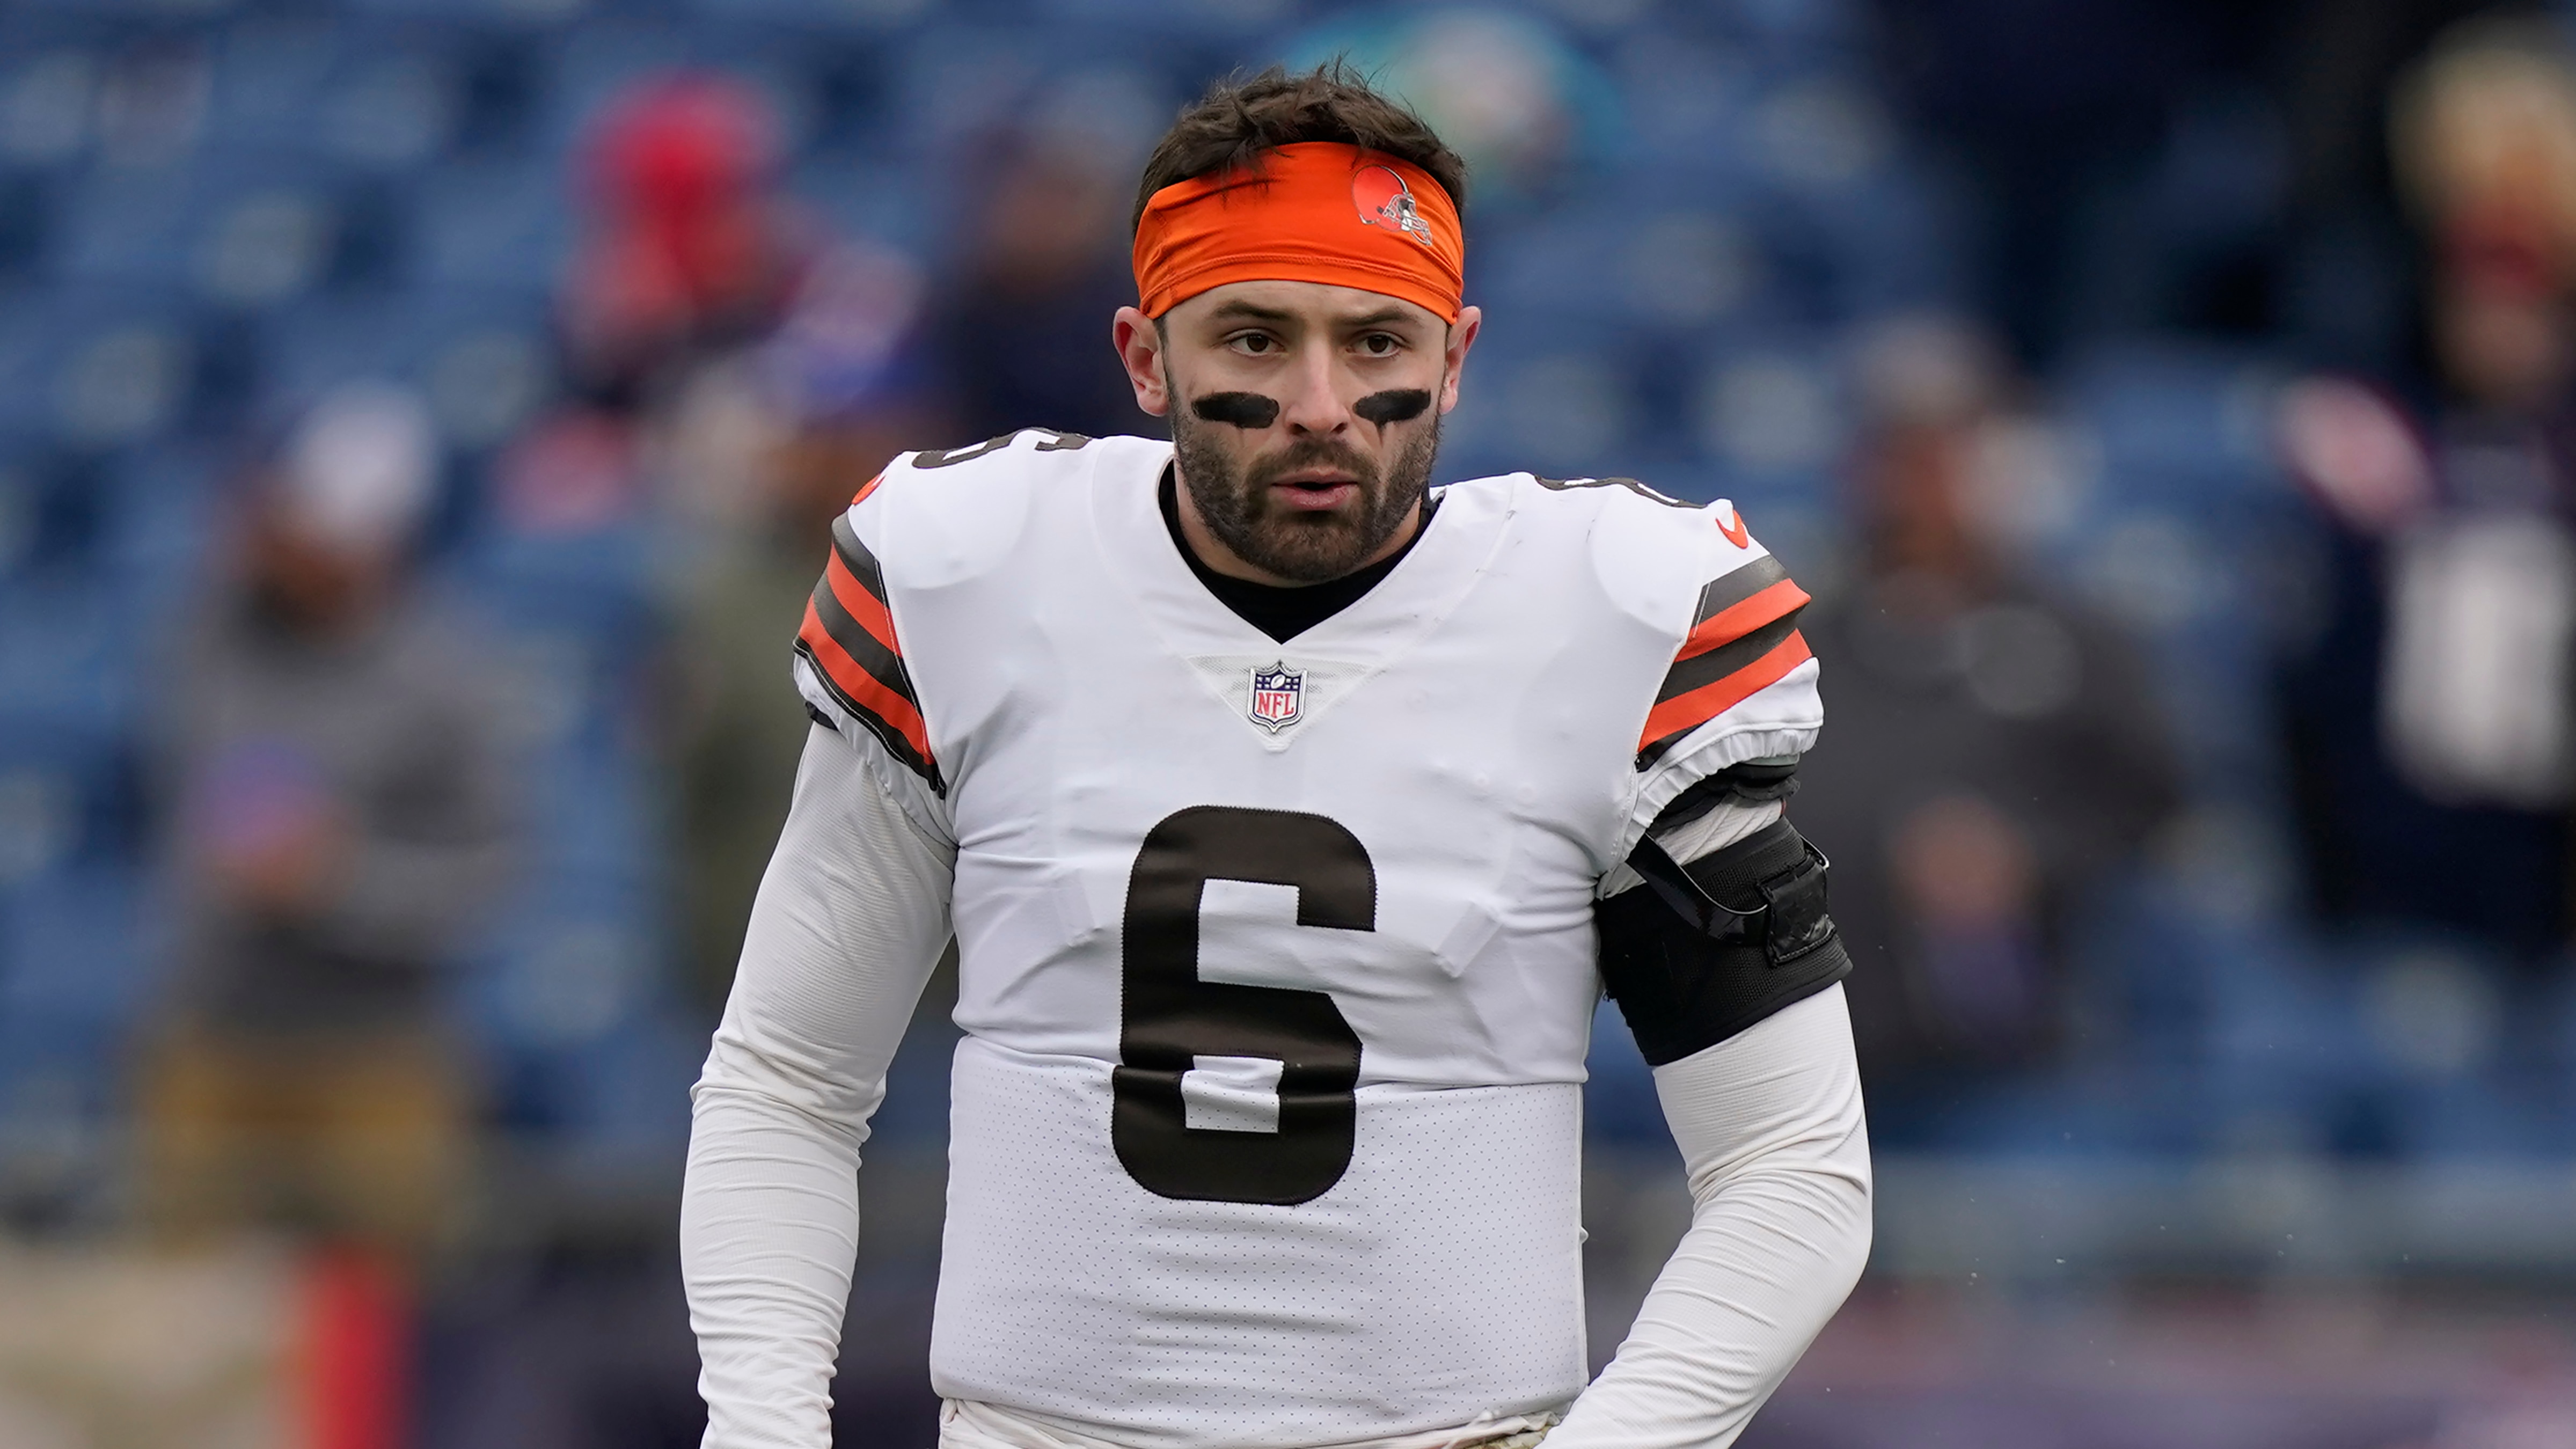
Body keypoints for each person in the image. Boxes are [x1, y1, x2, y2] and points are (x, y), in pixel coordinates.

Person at [681, 66, 1871, 1449]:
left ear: (1457, 356)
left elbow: (1791, 1164)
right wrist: (761, 1428)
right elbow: (788, 1080)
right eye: (1255, 339)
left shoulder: (1619, 619)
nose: (1321, 401)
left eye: (1376, 342)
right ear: (1144, 355)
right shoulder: (972, 577)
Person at [140, 382, 515, 1256]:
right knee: (178, 1316)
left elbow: (485, 876)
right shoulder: (205, 637)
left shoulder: (443, 675)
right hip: (215, 1035)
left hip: (374, 1058)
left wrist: (333, 879)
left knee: (389, 1324)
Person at [1790, 318, 2179, 1133]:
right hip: (1818, 1059)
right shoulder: (1799, 638)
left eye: (1948, 452)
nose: (1924, 482)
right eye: (1903, 454)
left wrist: (2027, 855)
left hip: (2012, 1062)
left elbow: (2156, 806)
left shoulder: (2073, 640)